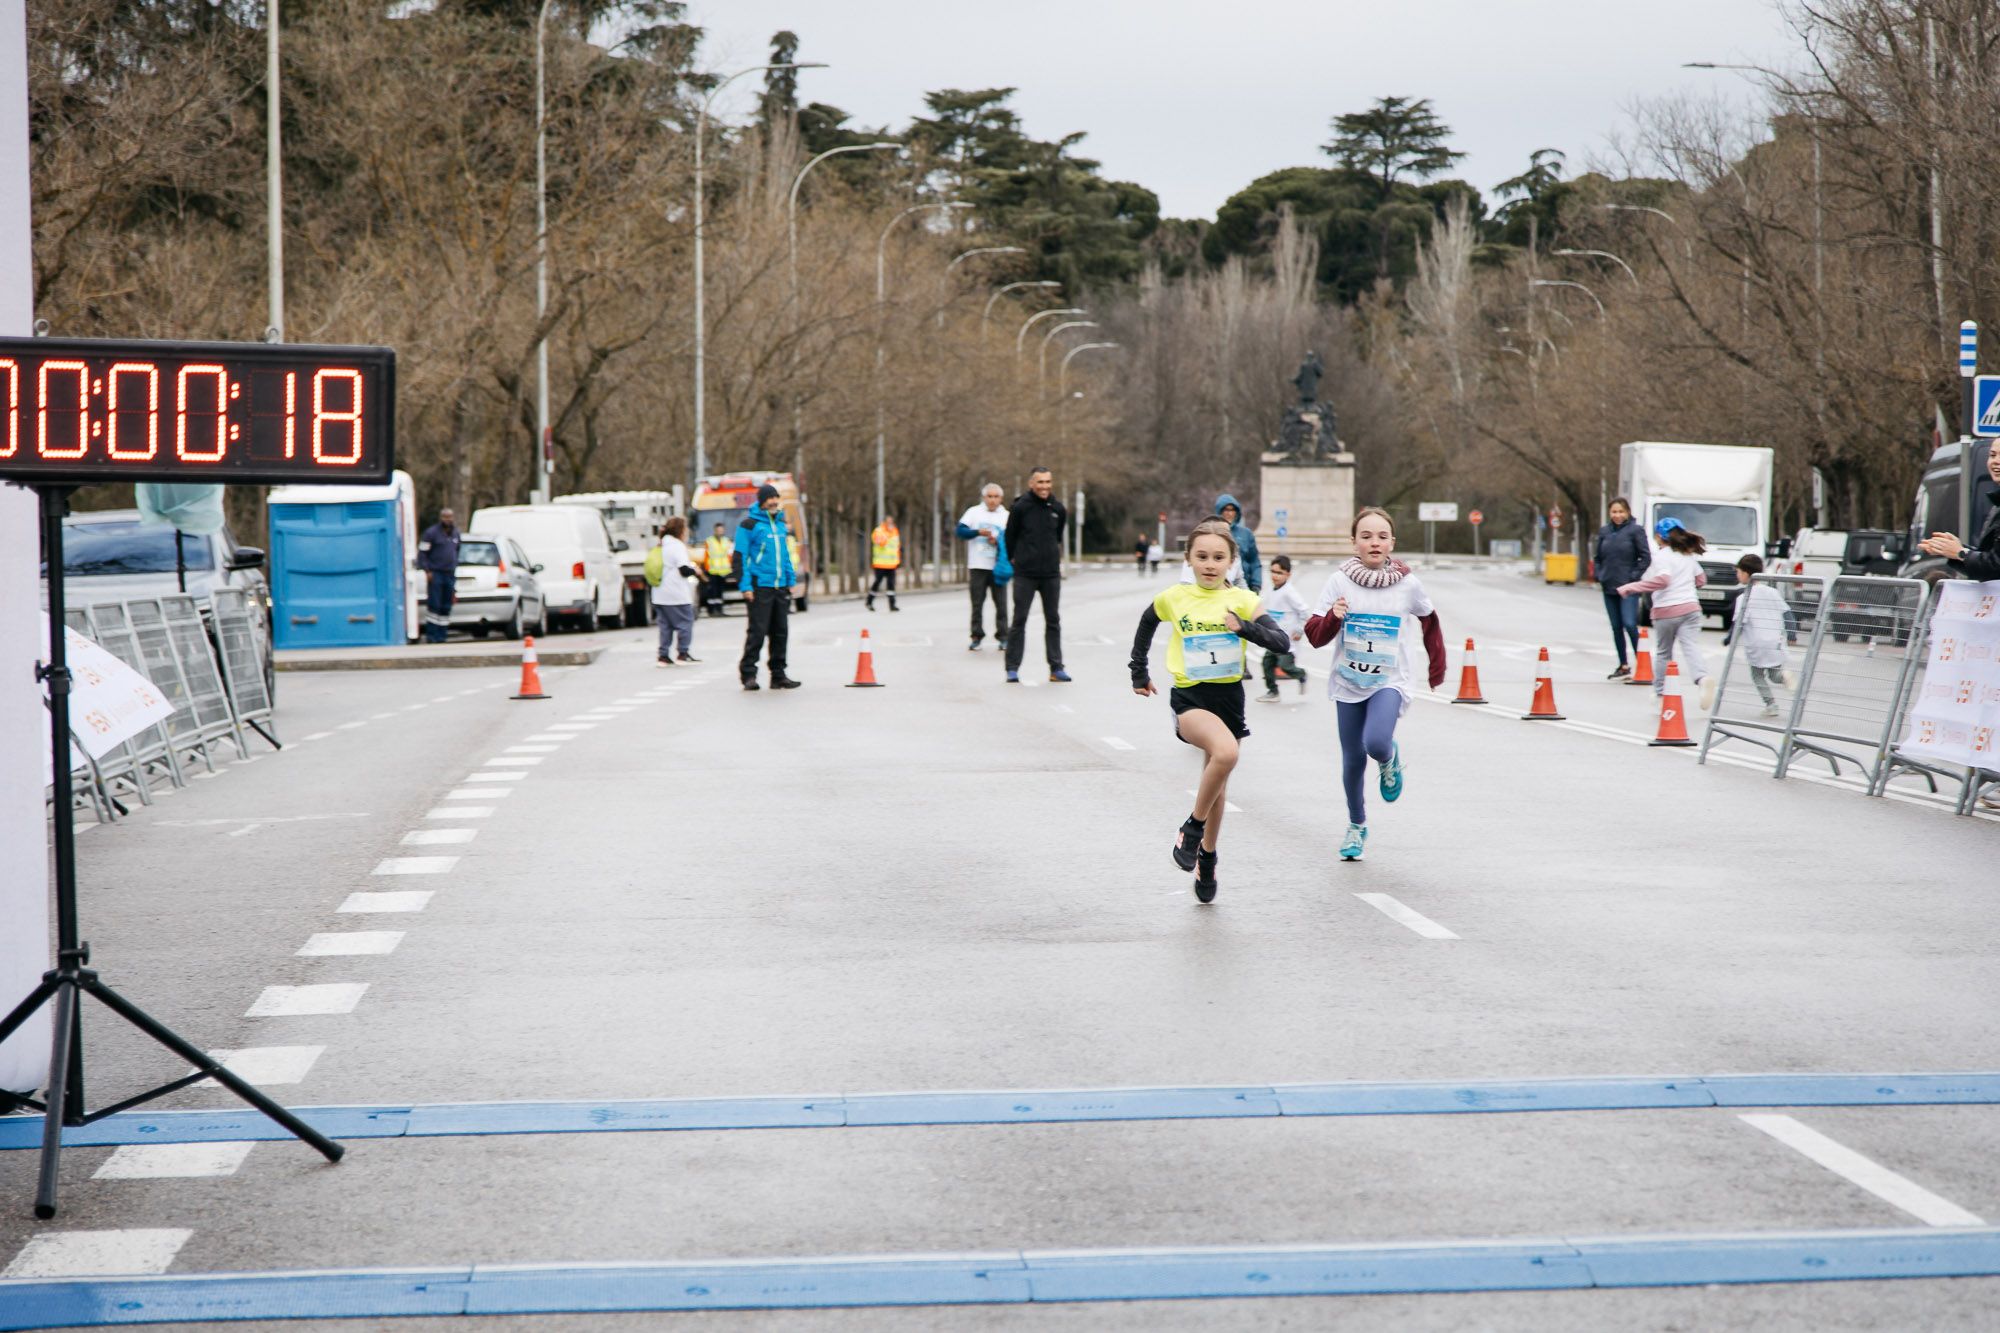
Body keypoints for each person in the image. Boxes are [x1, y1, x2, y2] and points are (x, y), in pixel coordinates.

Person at [1130, 517, 1293, 903]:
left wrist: (1245, 630)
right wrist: (1139, 670)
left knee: (1218, 782)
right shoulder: (1175, 597)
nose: (1209, 564)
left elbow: (1282, 641)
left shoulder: (1243, 601)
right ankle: (1192, 827)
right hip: (1190, 699)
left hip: (1228, 699)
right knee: (1226, 753)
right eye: (1201, 556)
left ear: (1231, 563)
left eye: (1218, 557)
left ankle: (1207, 855)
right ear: (1188, 558)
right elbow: (1147, 621)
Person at [1304, 508, 1446, 863]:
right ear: (1353, 542)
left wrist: (1436, 667)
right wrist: (1333, 619)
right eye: (1366, 536)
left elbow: (1429, 620)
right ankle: (1356, 826)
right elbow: (1314, 635)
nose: (1374, 542)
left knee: (1376, 743)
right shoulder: (1338, 582)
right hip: (1349, 680)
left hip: (1389, 680)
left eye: (1382, 536)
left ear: (1392, 543)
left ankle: (1388, 758)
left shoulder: (1408, 584)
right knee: (1352, 759)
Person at [1618, 518, 1715, 711]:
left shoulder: (1662, 555)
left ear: (1658, 537)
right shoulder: (1688, 555)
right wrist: (1685, 585)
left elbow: (1662, 580)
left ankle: (1660, 692)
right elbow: (1701, 580)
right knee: (1691, 646)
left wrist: (1632, 587)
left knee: (1664, 652)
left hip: (1666, 610)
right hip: (1691, 608)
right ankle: (1702, 678)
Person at [1004, 467, 1070, 683]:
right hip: (1025, 574)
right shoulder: (1020, 507)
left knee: (1053, 620)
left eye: (1048, 482)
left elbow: (1057, 536)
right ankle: (1012, 668)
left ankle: (1056, 668)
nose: (1045, 486)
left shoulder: (1058, 508)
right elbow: (1010, 538)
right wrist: (1018, 559)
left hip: (1050, 573)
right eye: (1040, 482)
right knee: (1019, 619)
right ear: (1031, 484)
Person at [735, 484, 801, 691]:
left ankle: (778, 675)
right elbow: (740, 557)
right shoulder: (749, 524)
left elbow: (785, 555)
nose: (774, 502)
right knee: (758, 632)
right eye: (769, 499)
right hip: (760, 587)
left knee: (780, 632)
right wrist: (745, 586)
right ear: (761, 501)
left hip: (780, 586)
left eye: (776, 498)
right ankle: (748, 675)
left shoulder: (780, 524)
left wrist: (790, 581)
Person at [1918, 442, 2000, 580]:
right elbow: (1990, 563)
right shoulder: (1997, 504)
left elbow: (1996, 566)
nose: (1996, 461)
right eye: (1992, 455)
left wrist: (1961, 553)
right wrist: (1953, 549)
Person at [1730, 554, 1795, 718]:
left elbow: (1738, 623)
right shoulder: (1772, 592)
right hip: (1775, 641)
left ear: (1745, 574)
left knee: (1757, 675)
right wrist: (1792, 632)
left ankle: (1771, 705)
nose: (1737, 575)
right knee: (1774, 674)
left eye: (1738, 571)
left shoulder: (1743, 597)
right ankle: (1784, 676)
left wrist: (1729, 638)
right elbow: (1787, 613)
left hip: (1756, 643)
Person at [1594, 496, 1650, 678]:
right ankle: (1623, 665)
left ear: (1627, 512)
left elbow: (1645, 558)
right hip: (1609, 585)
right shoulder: (1604, 532)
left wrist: (1633, 578)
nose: (1617, 515)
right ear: (1609, 513)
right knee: (1616, 626)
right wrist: (1599, 575)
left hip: (1628, 588)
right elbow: (1598, 558)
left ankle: (1642, 663)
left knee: (1630, 624)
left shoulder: (1636, 531)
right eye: (1614, 512)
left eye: (1621, 511)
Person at [957, 484, 1011, 651]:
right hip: (978, 565)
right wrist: (978, 532)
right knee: (977, 604)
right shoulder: (974, 512)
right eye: (989, 496)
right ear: (984, 497)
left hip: (998, 567)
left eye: (996, 497)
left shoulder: (1007, 516)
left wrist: (999, 541)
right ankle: (976, 636)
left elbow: (1013, 539)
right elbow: (960, 531)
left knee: (1001, 604)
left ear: (1001, 499)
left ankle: (1003, 636)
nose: (992, 500)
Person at [1256, 554, 1310, 701]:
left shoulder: (1289, 592)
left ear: (1288, 574)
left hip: (1287, 641)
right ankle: (1273, 692)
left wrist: (1300, 629)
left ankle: (1301, 674)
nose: (1275, 576)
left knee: (1285, 666)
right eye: (1273, 571)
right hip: (1273, 638)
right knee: (1266, 664)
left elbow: (1304, 612)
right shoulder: (1271, 590)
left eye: (1279, 573)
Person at [647, 516, 699, 666]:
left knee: (665, 626)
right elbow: (684, 569)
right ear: (681, 530)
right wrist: (695, 570)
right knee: (685, 622)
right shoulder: (677, 545)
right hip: (675, 593)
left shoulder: (661, 544)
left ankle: (663, 656)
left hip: (658, 593)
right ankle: (683, 654)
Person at [416, 507, 460, 644]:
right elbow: (422, 554)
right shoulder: (431, 533)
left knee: (446, 605)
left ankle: (442, 635)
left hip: (450, 573)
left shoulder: (456, 533)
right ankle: (432, 635)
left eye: (450, 517)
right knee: (434, 604)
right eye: (445, 517)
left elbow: (457, 551)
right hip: (435, 573)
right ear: (440, 518)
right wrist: (427, 570)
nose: (448, 519)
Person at [1213, 494, 1263, 593]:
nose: (1229, 513)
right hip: (1219, 585)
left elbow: (1254, 561)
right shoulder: (1212, 532)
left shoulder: (1246, 534)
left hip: (1243, 585)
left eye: (1232, 510)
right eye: (1226, 510)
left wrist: (1256, 584)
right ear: (1219, 511)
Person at [867, 516, 901, 612]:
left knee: (891, 584)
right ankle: (869, 601)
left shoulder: (895, 531)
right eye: (888, 521)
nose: (890, 523)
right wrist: (886, 535)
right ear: (884, 522)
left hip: (892, 564)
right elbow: (879, 542)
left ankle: (892, 604)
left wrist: (898, 561)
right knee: (877, 583)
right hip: (880, 564)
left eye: (891, 521)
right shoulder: (879, 531)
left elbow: (896, 547)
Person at [702, 522, 733, 618]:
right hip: (712, 571)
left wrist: (731, 568)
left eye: (721, 530)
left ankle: (719, 610)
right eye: (718, 530)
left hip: (723, 571)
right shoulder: (709, 541)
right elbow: (706, 556)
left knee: (720, 592)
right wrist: (706, 570)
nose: (720, 532)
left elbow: (729, 555)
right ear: (715, 530)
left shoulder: (726, 541)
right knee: (712, 592)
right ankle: (711, 611)